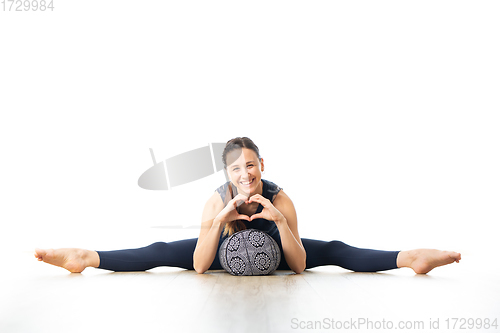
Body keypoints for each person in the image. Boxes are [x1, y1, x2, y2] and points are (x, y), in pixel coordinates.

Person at [34, 137, 461, 275]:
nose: (245, 174)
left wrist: (278, 221)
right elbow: (201, 267)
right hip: (222, 249)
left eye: (251, 166)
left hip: (274, 248)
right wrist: (219, 221)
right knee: (164, 251)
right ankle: (86, 257)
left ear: (262, 166)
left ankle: (409, 258)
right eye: (236, 169)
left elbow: (296, 267)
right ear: (227, 175)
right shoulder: (215, 201)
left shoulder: (281, 198)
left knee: (332, 248)